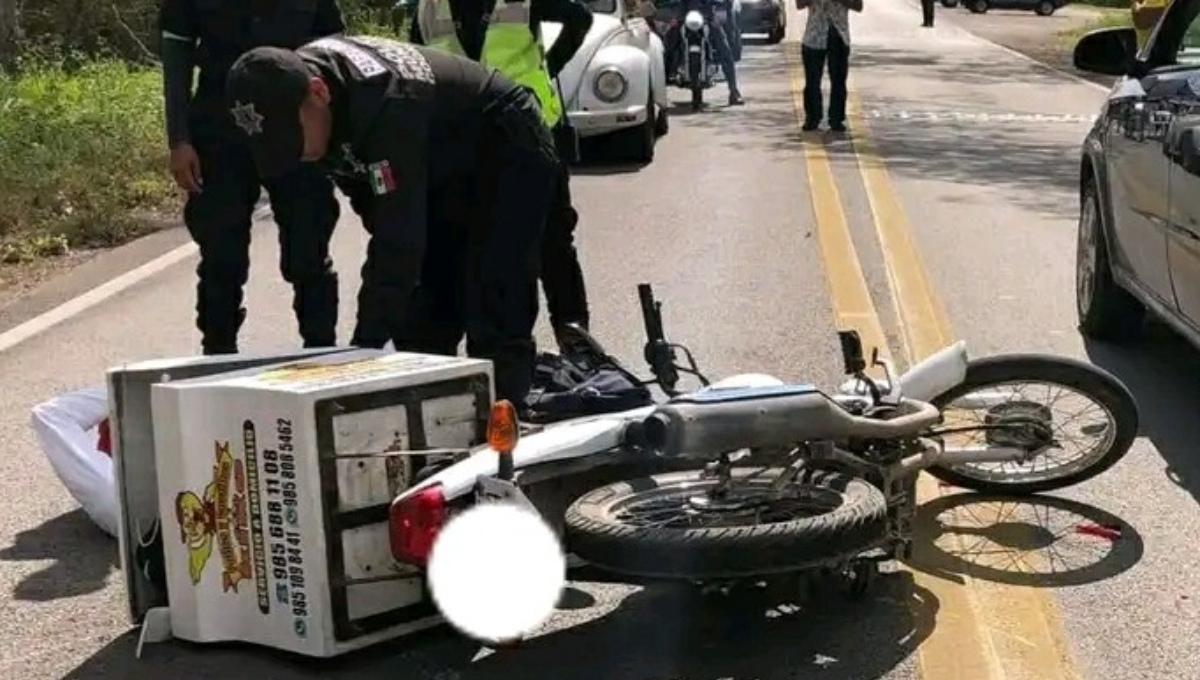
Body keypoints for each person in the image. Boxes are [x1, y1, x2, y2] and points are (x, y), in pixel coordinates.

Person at [225, 37, 560, 405]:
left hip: (503, 142)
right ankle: (437, 424)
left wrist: (361, 353)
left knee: (493, 300)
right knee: (421, 319)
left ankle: (508, 424)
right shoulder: (296, 86)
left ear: (318, 94)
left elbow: (397, 240)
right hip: (434, 164)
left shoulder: (384, 102)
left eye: (291, 137)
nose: (295, 154)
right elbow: (377, 209)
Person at [159, 0, 344, 355]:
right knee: (220, 253)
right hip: (220, 131)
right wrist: (179, 140)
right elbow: (176, 56)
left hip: (298, 126)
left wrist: (333, 133)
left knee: (309, 247)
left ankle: (321, 352)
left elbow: (334, 46)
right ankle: (217, 355)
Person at [410, 0, 594, 345]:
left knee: (553, 241)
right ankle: (482, 349)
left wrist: (549, 65)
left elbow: (578, 18)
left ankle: (575, 339)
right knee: (475, 245)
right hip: (465, 140)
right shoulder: (428, 8)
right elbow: (419, 65)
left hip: (532, 130)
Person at [663, 0, 744, 106]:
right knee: (666, 47)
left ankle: (733, 92)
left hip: (708, 18)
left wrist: (719, 7)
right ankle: (660, 93)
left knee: (725, 51)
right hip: (684, 18)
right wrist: (674, 16)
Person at [797, 0, 861, 132]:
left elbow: (858, 6)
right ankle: (812, 118)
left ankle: (836, 119)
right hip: (814, 36)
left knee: (838, 81)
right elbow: (799, 4)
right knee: (812, 81)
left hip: (838, 35)